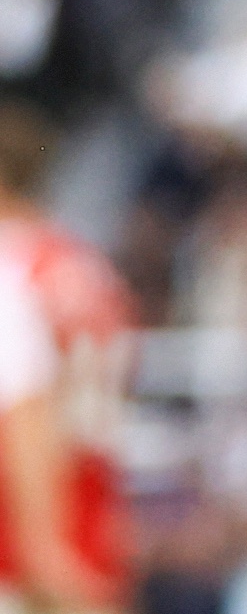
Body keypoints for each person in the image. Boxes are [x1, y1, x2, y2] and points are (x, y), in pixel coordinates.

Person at [0, 102, 132, 614]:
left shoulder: (11, 269)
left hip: (26, 526)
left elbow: (27, 408)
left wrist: (44, 550)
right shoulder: (83, 262)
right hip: (90, 504)